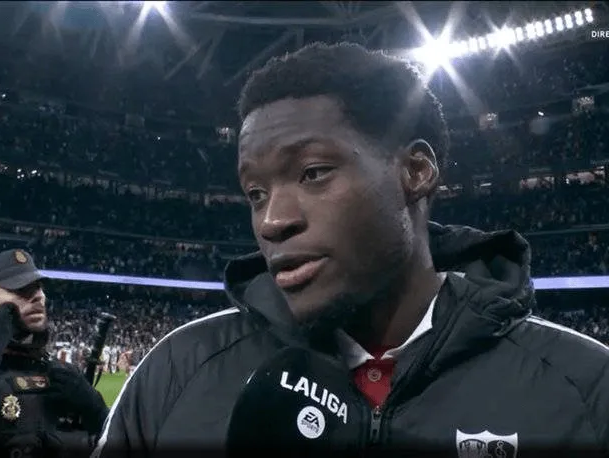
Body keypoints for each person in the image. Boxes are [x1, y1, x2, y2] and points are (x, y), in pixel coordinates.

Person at [94, 43, 609, 456]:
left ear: (415, 172)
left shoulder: (585, 388)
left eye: (312, 173)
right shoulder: (178, 372)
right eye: (255, 194)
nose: (272, 222)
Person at [0, 249, 109, 457]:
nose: (39, 296)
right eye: (21, 289)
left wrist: (97, 411)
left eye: (38, 287)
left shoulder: (64, 375)